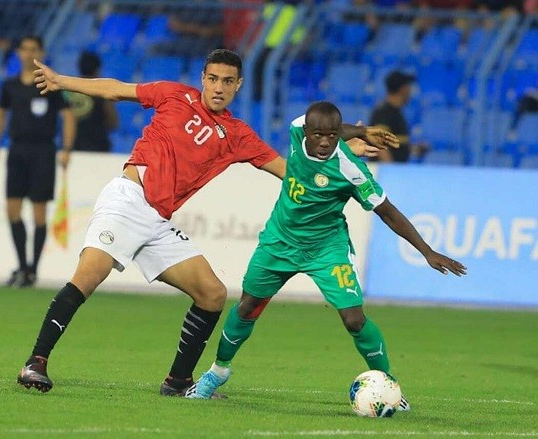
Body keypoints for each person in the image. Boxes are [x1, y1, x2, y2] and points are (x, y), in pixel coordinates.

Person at [17, 49, 399, 395]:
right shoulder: (172, 95)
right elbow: (116, 90)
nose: (219, 87)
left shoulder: (237, 135)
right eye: (213, 79)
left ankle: (178, 382)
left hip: (158, 220)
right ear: (203, 78)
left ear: (238, 85)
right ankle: (36, 362)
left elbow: (291, 172)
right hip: (128, 199)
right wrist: (61, 80)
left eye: (227, 81)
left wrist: (338, 153)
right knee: (88, 277)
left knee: (212, 294)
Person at [185, 101, 467, 406]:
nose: (324, 142)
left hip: (326, 248)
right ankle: (217, 373)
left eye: (332, 136)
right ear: (306, 132)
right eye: (318, 135)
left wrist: (427, 251)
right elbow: (326, 127)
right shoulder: (296, 131)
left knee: (354, 319)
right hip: (279, 241)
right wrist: (359, 131)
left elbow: (388, 212)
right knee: (247, 306)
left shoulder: (351, 170)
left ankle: (388, 387)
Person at [0, 35, 77, 288]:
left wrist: (66, 148)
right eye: (25, 49)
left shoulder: (49, 84)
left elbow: (68, 116)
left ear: (42, 53)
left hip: (43, 151)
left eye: (34, 49)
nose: (29, 54)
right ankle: (22, 266)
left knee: (39, 213)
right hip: (17, 150)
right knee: (12, 210)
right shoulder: (10, 86)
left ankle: (33, 270)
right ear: (18, 52)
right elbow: (0, 114)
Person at [63, 51, 119, 152]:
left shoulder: (69, 92)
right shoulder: (102, 91)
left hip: (73, 148)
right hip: (98, 148)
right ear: (97, 70)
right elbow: (113, 123)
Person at [369, 70, 428, 163]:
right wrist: (390, 169)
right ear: (403, 89)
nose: (410, 92)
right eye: (408, 87)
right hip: (383, 170)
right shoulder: (383, 112)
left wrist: (415, 149)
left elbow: (398, 145)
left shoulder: (397, 113)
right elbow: (379, 144)